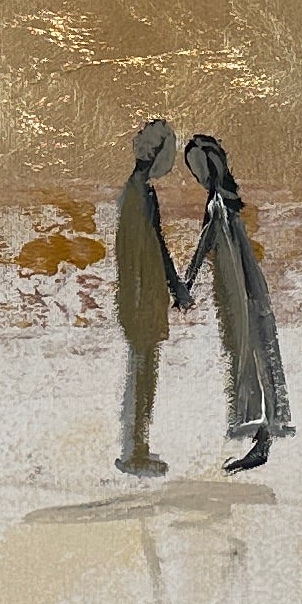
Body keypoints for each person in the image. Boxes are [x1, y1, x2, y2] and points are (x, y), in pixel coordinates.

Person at [180, 133, 292, 473]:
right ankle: (264, 435)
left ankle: (262, 435)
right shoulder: (227, 200)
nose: (197, 177)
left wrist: (187, 281)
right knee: (258, 353)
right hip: (247, 286)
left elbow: (205, 244)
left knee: (248, 354)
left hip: (238, 289)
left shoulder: (217, 204)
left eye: (197, 170)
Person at [111, 120, 190, 476]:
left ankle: (136, 447)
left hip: (141, 295)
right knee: (143, 375)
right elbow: (147, 249)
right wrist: (172, 289)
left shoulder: (136, 192)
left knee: (143, 372)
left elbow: (150, 247)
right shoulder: (139, 195)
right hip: (143, 297)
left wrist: (175, 288)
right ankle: (136, 451)